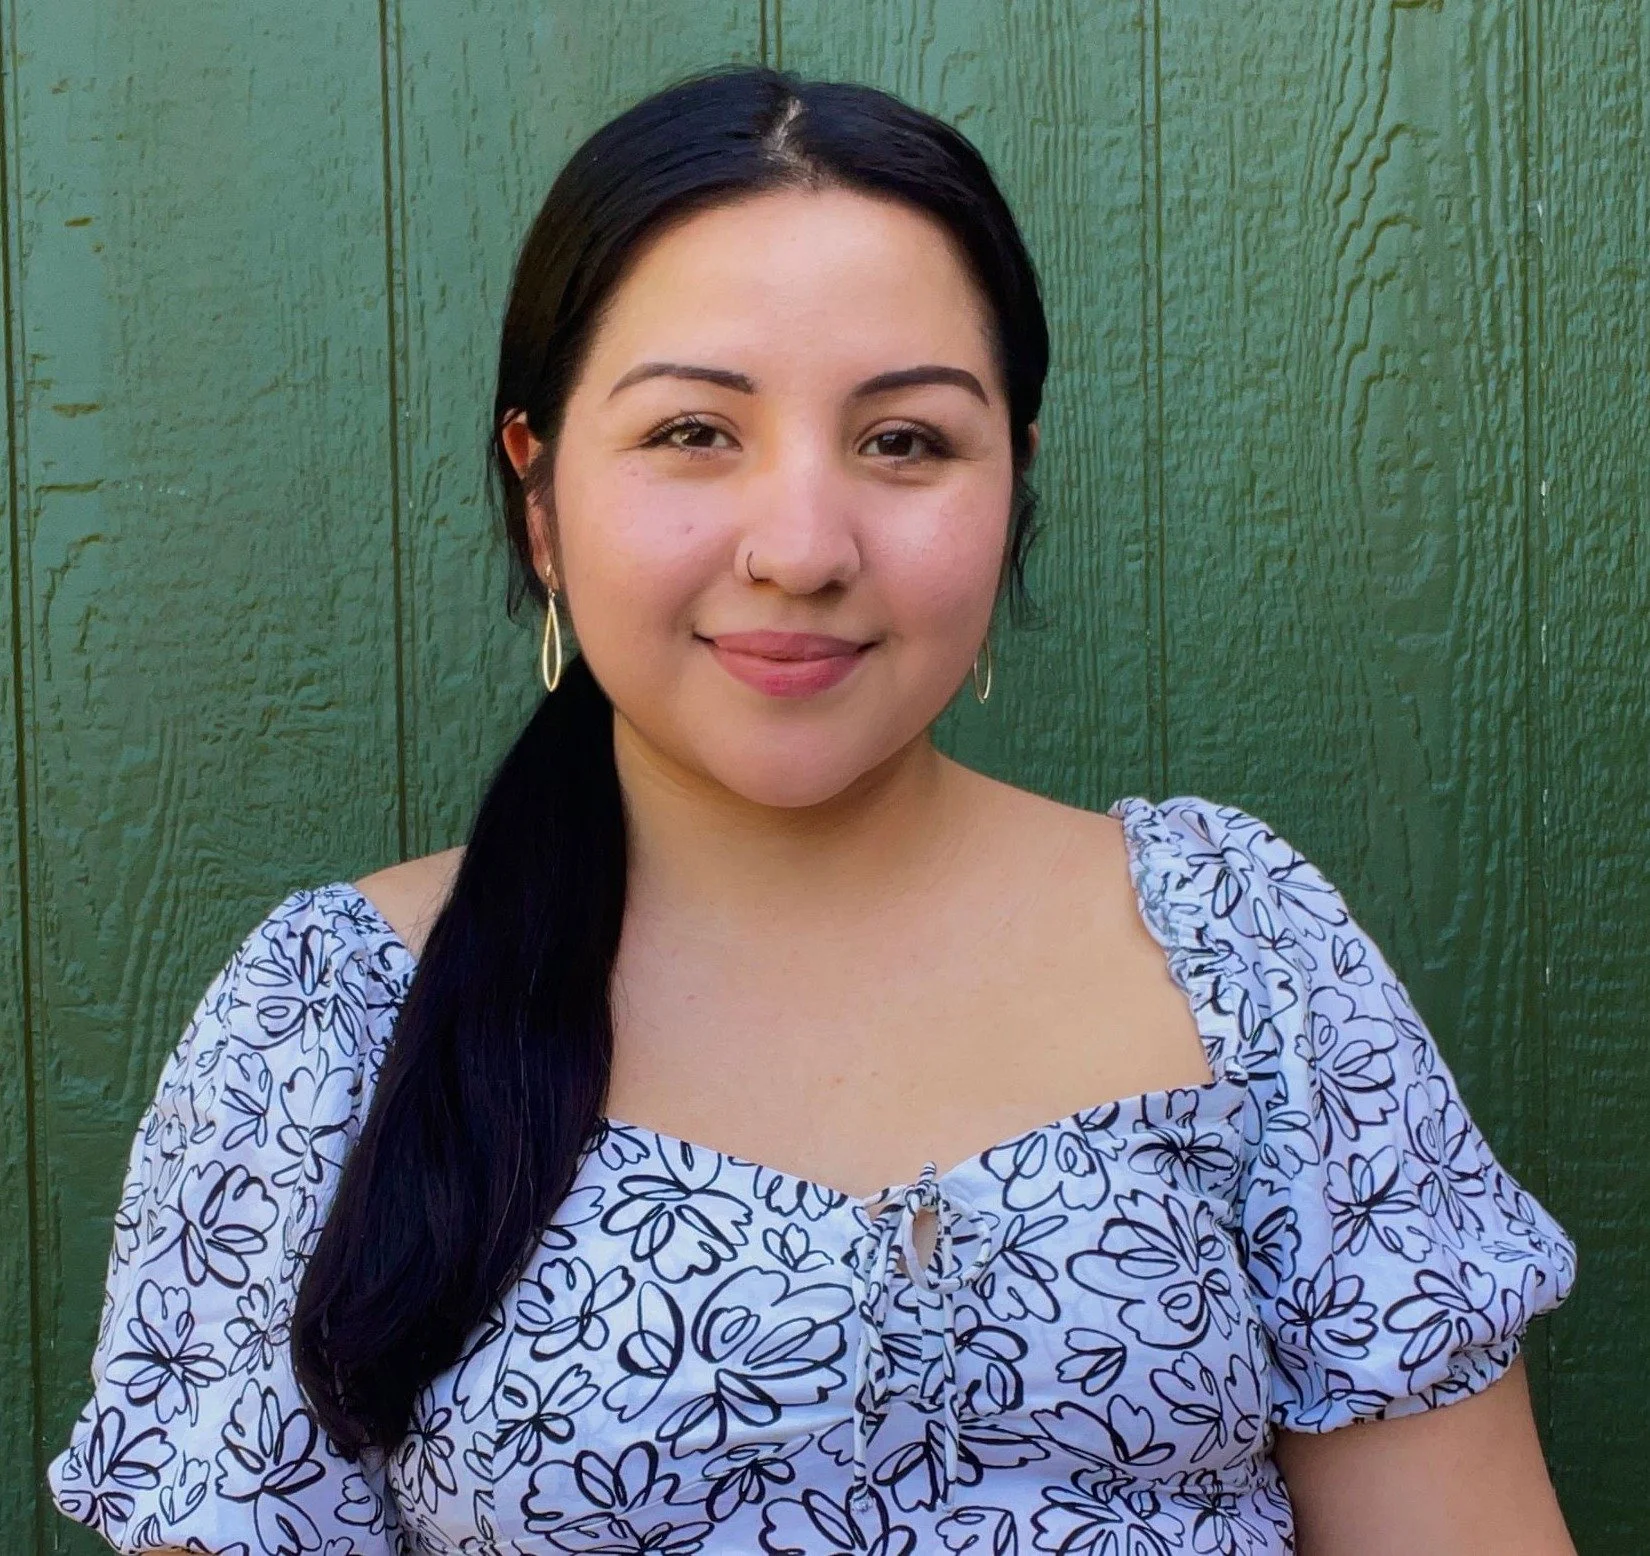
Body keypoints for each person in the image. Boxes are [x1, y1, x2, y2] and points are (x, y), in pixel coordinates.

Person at [48, 63, 1578, 1556]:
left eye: (903, 441)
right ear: (539, 493)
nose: (799, 546)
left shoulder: (1236, 944)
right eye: (691, 433)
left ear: (1012, 485)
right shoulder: (325, 1019)